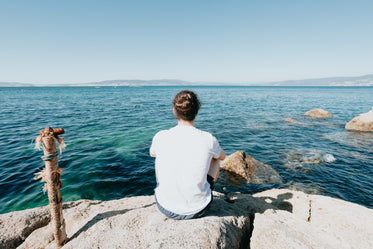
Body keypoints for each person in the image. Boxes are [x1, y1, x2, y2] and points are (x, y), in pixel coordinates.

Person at [150, 90, 226, 220]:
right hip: (199, 209)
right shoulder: (208, 138)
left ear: (174, 111)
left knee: (159, 155)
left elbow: (152, 154)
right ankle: (202, 190)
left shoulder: (161, 136)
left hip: (165, 207)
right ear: (196, 112)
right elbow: (222, 157)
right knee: (216, 159)